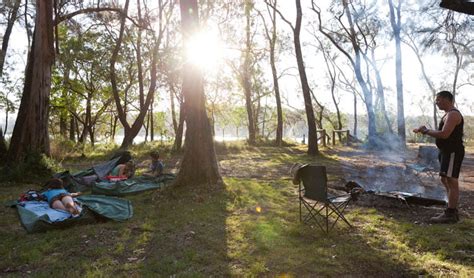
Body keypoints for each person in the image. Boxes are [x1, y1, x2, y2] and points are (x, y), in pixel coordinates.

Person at [413, 91, 464, 224]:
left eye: (439, 99)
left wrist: (426, 131)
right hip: (446, 151)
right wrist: (424, 131)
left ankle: (451, 213)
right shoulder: (447, 115)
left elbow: (444, 134)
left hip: (453, 152)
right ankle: (451, 208)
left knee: (451, 180)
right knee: (444, 179)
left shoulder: (453, 114)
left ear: (448, 99)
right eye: (436, 100)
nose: (436, 102)